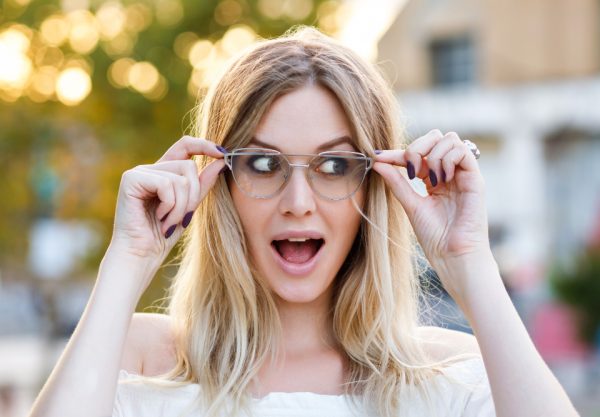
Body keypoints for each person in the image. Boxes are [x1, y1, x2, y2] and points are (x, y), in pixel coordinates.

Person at [28, 26, 578, 417]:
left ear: (376, 182)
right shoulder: (137, 356)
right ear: (217, 182)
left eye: (334, 165)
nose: (297, 201)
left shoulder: (449, 372)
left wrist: (469, 263)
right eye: (263, 164)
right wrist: (127, 259)